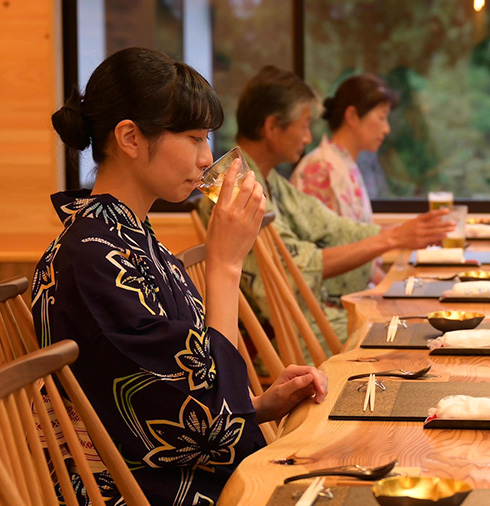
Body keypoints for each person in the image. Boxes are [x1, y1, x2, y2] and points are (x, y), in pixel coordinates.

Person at [33, 48, 328, 505]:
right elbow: (209, 429)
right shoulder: (92, 260)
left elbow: (192, 398)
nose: (206, 158)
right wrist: (226, 265)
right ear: (130, 137)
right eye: (193, 138)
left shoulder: (127, 239)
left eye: (207, 139)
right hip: (142, 492)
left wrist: (259, 404)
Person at [199, 66, 454, 344]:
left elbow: (334, 228)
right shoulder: (230, 189)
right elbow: (288, 269)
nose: (308, 137)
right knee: (414, 334)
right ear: (272, 127)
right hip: (284, 337)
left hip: (306, 318)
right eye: (305, 124)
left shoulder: (269, 180)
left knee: (419, 324)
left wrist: (398, 235)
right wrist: (392, 238)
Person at [291, 73, 396, 284]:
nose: (387, 128)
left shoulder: (344, 164)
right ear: (352, 116)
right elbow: (330, 254)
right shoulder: (320, 168)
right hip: (333, 297)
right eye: (382, 117)